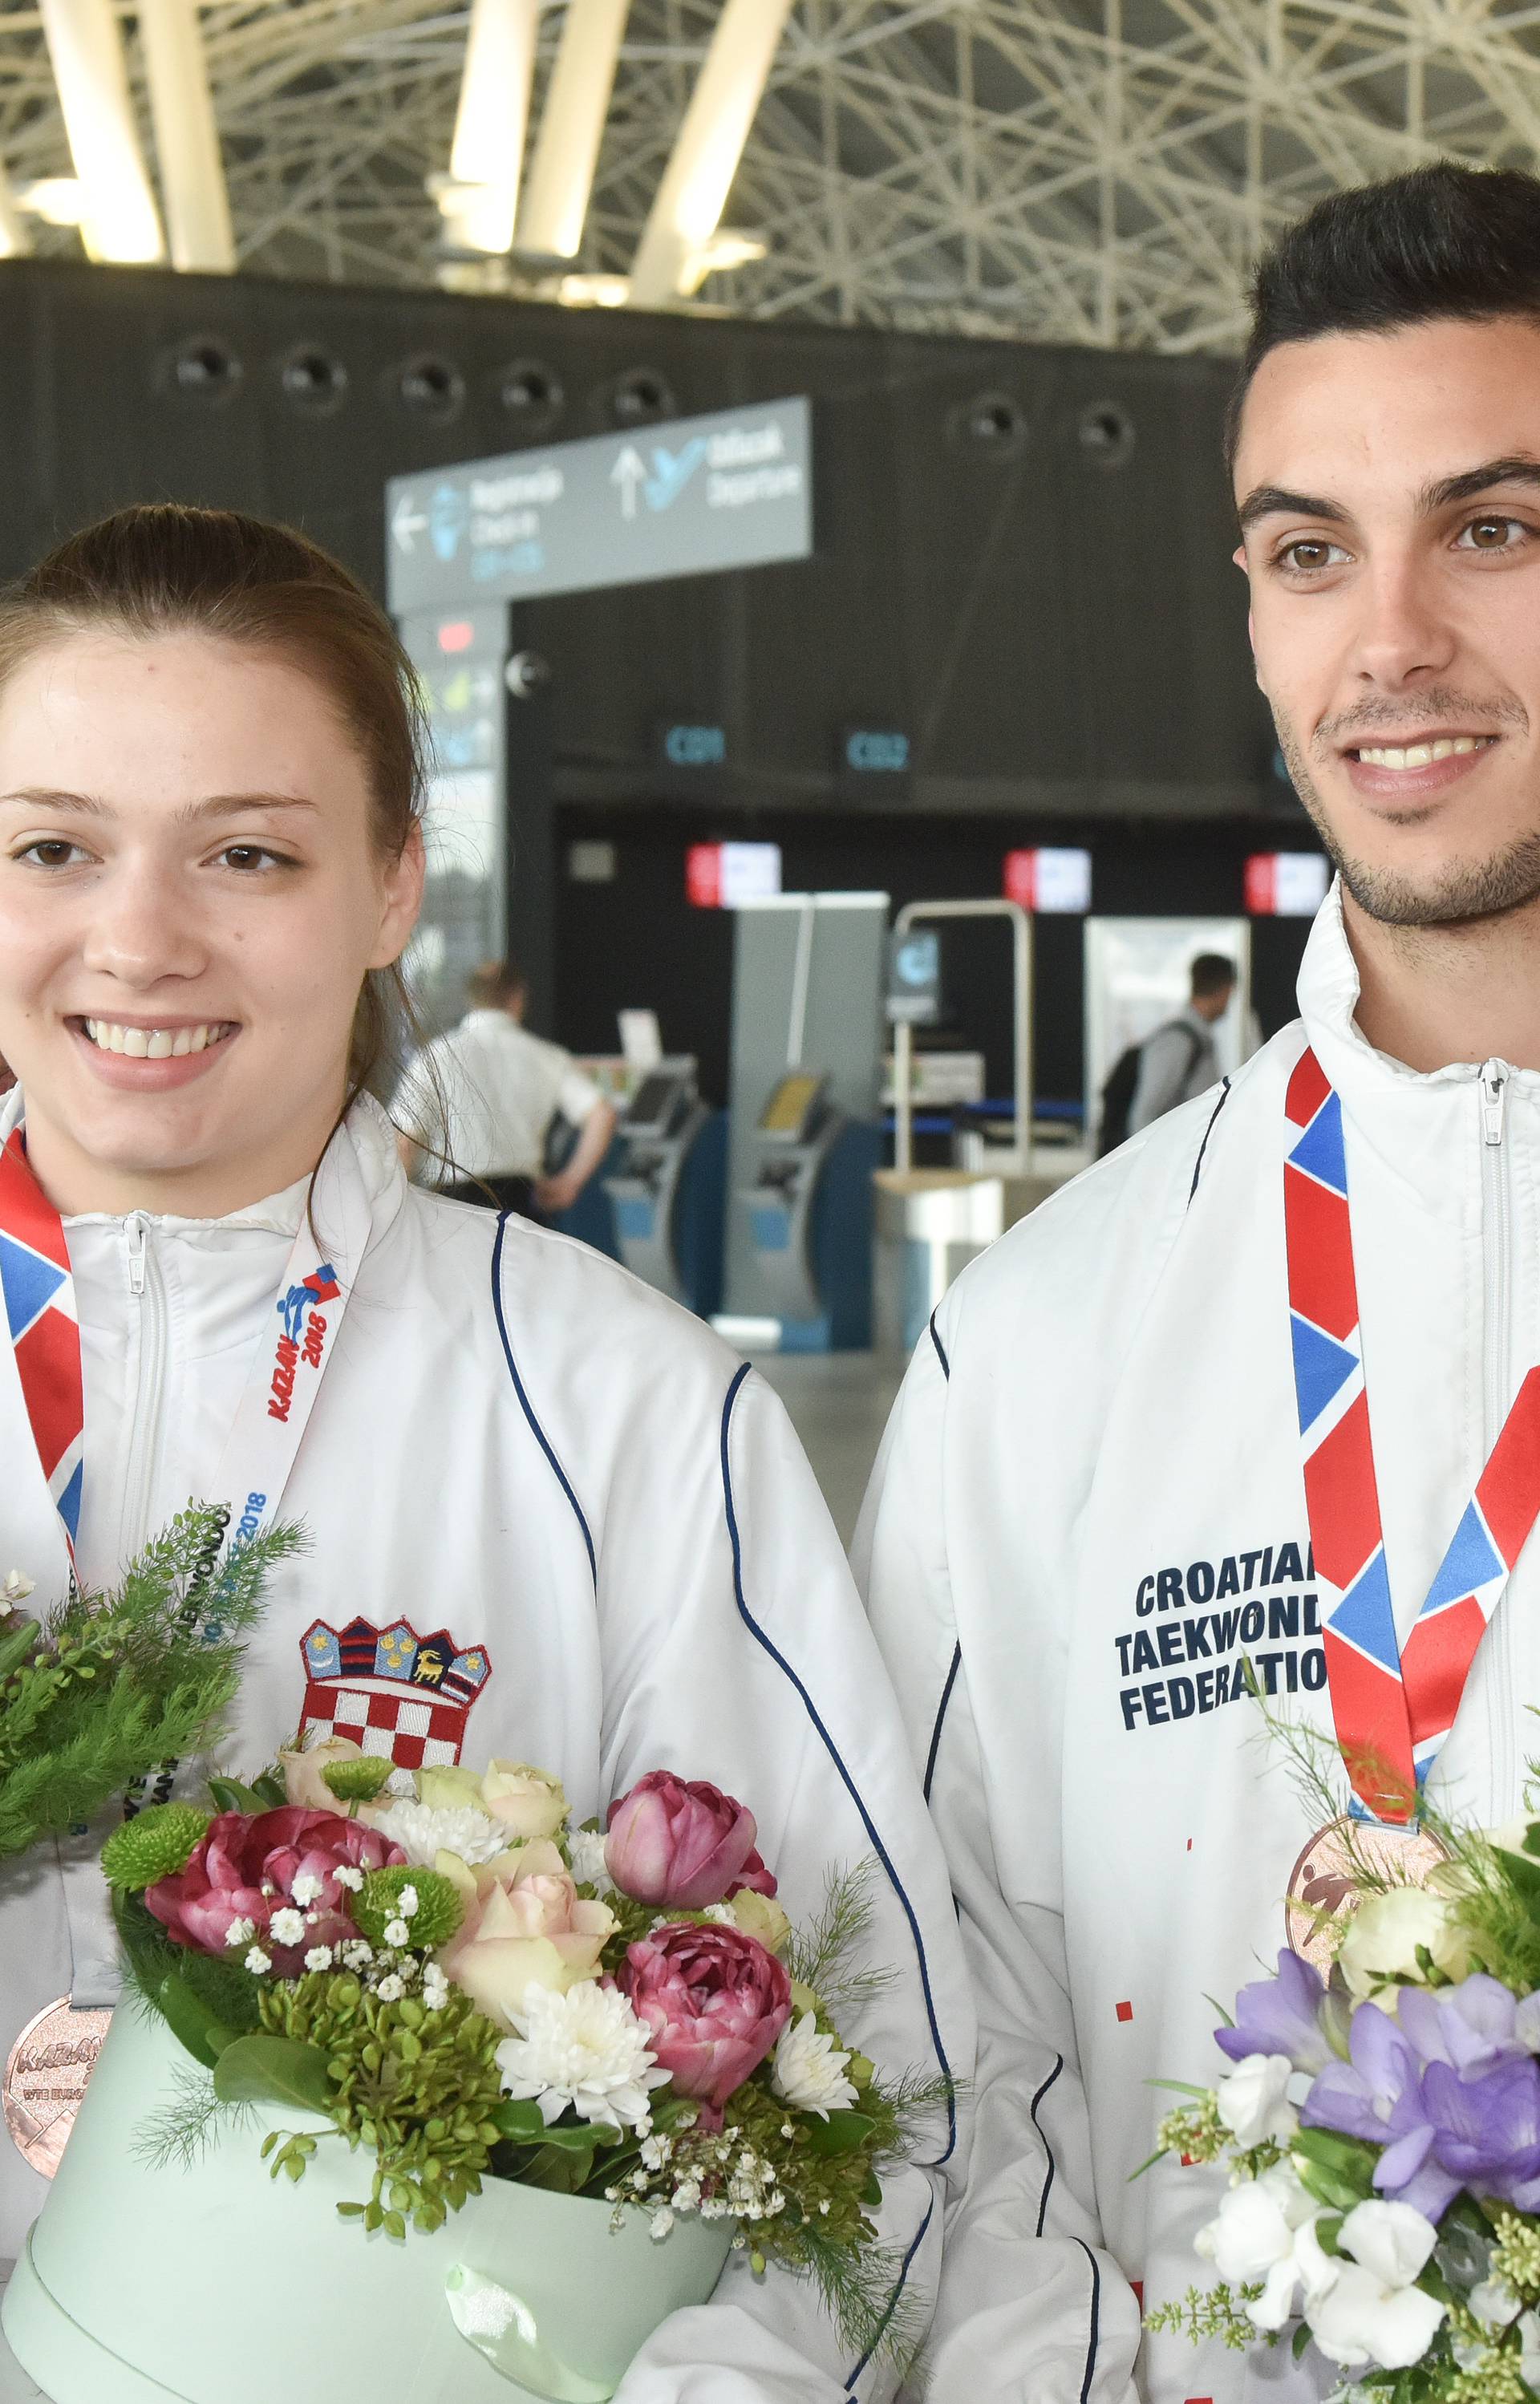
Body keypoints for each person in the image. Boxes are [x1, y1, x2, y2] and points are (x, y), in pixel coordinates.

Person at [0, 502, 970, 2400]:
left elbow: (885, 2096)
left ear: (387, 889)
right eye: (54, 847)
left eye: (250, 853)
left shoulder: (622, 1406)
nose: (141, 938)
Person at [857, 159, 1540, 2402]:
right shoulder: (1046, 1333)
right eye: (1307, 550)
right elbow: (948, 2040)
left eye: (1498, 527)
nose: (1394, 643)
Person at [398, 957, 617, 1222]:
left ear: (472, 999)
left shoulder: (435, 1056)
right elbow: (601, 1114)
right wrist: (570, 1182)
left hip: (451, 1204)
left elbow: (405, 1142)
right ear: (518, 997)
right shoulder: (546, 1056)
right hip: (522, 1203)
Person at [1124, 952, 1236, 1137]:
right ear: (1224, 990)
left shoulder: (1198, 1037)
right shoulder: (1178, 1040)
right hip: (1169, 1158)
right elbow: (1144, 1115)